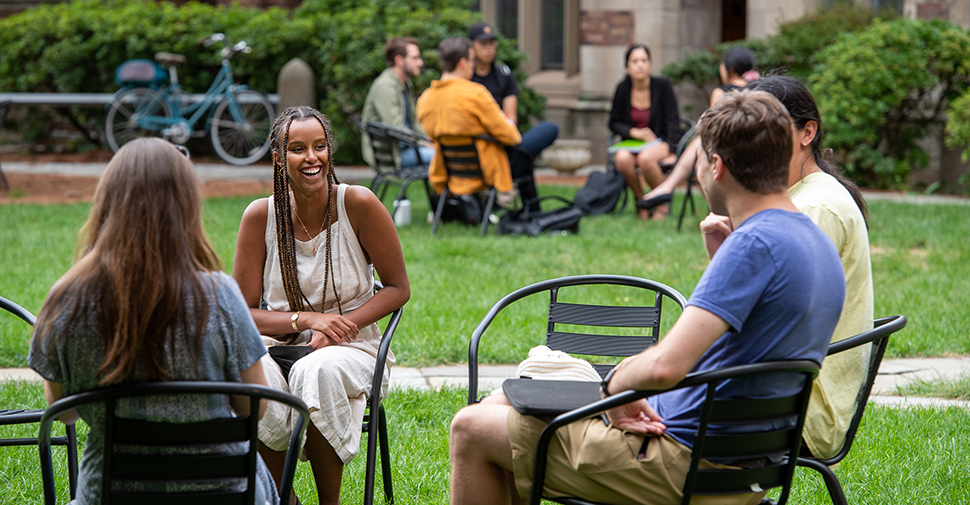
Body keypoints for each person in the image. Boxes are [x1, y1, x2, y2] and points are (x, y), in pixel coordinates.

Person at [449, 90, 846, 505]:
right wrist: (722, 261)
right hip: (749, 463)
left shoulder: (756, 244)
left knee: (471, 427)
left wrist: (613, 388)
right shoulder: (813, 240)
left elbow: (664, 366)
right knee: (501, 401)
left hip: (686, 463)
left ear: (716, 166)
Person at [28, 138, 278, 505]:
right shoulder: (221, 294)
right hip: (222, 491)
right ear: (186, 206)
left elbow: (63, 411)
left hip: (111, 494)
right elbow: (253, 406)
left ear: (107, 202)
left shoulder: (67, 298)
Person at [232, 106, 409, 505]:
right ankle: (284, 500)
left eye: (320, 146)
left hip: (353, 349)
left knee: (317, 369)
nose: (311, 157)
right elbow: (240, 310)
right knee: (246, 379)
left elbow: (398, 288)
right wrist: (307, 319)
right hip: (279, 348)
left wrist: (340, 327)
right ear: (279, 159)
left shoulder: (359, 204)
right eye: (297, 149)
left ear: (330, 151)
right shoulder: (260, 216)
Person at [717, 75, 868, 460]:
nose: (756, 140)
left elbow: (758, 321)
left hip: (797, 406)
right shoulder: (799, 199)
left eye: (770, 128)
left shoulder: (815, 208)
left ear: (807, 133)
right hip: (782, 387)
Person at [417, 37, 540, 211]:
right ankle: (526, 208)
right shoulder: (475, 94)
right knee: (544, 134)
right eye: (472, 61)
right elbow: (511, 137)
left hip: (448, 171)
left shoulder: (425, 99)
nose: (473, 66)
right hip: (485, 170)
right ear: (462, 63)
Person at [639, 45, 760, 220]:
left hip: (726, 151)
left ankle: (670, 187)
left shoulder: (721, 92)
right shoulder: (759, 89)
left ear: (730, 69)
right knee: (700, 144)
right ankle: (668, 187)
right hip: (755, 150)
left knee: (700, 144)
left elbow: (712, 129)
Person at [468, 21, 559, 173]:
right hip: (475, 144)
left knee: (549, 129)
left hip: (502, 138)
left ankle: (509, 174)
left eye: (492, 43)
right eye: (484, 43)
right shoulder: (465, 77)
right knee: (523, 158)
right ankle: (524, 193)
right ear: (471, 46)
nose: (489, 48)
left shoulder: (503, 75)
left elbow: (511, 119)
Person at [609, 43, 682, 220]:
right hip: (634, 143)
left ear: (650, 64)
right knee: (622, 158)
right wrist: (633, 131)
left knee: (646, 158)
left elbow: (673, 121)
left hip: (660, 141)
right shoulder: (622, 88)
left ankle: (661, 201)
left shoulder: (663, 86)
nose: (640, 65)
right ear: (627, 66)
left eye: (644, 60)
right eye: (634, 61)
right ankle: (642, 200)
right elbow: (613, 122)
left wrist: (673, 150)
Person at [361, 36, 435, 169]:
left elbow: (413, 120)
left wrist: (428, 140)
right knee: (444, 158)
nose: (420, 62)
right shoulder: (386, 86)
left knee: (444, 153)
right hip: (394, 155)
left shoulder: (405, 83)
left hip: (407, 148)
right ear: (399, 60)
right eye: (415, 58)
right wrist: (424, 144)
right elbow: (395, 128)